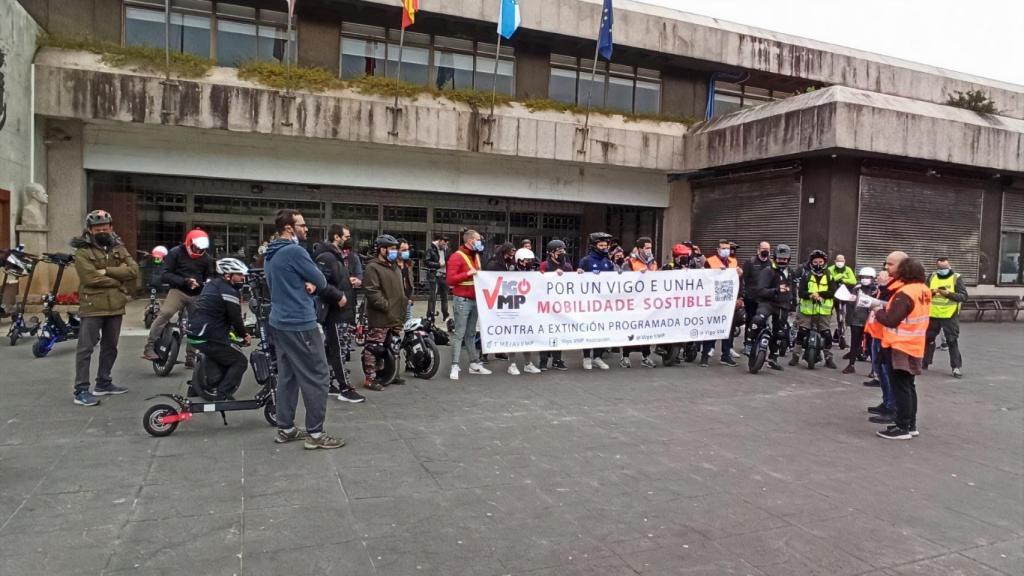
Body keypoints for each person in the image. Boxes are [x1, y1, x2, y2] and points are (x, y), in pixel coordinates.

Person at [264, 209, 344, 450]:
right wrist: (309, 282)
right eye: (302, 224)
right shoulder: (294, 251)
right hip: (299, 322)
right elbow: (320, 281)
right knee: (318, 375)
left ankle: (286, 428)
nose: (306, 229)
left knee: (288, 376)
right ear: (289, 228)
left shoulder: (271, 252)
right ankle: (316, 434)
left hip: (279, 321)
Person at [71, 210, 139, 406]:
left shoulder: (119, 247)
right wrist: (118, 281)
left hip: (115, 306)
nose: (102, 231)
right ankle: (81, 390)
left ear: (111, 227)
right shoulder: (83, 251)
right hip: (93, 305)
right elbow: (90, 278)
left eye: (105, 228)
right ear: (90, 230)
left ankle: (103, 382)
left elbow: (133, 271)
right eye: (97, 229)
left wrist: (107, 270)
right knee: (86, 348)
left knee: (110, 347)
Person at [872, 256, 931, 440]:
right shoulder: (923, 290)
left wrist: (877, 309)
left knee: (901, 387)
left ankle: (902, 426)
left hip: (899, 345)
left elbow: (891, 320)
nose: (891, 270)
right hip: (915, 343)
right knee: (908, 386)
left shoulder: (904, 293)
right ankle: (910, 424)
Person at [142, 229, 215, 364]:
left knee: (196, 324)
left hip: (197, 294)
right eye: (196, 248)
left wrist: (206, 284)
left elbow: (209, 275)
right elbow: (165, 274)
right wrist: (185, 281)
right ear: (189, 243)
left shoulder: (206, 259)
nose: (199, 251)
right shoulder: (175, 253)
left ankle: (191, 357)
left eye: (202, 249)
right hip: (178, 291)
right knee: (165, 313)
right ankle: (149, 347)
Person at [186, 258, 251, 400]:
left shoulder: (212, 285)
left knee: (215, 355)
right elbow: (235, 318)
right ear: (228, 275)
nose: (243, 278)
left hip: (195, 332)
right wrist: (245, 334)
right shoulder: (229, 291)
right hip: (207, 334)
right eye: (239, 274)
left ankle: (195, 389)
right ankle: (223, 394)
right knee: (239, 361)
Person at [314, 225, 365, 403]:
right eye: (346, 236)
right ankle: (345, 387)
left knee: (337, 350)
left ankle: (331, 383)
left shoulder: (337, 257)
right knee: (339, 351)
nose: (349, 239)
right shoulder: (326, 258)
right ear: (337, 237)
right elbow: (320, 284)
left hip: (344, 311)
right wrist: (338, 296)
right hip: (336, 313)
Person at [361, 235, 408, 390]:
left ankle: (390, 374)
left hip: (396, 315)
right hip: (381, 316)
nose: (395, 252)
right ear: (382, 249)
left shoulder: (395, 267)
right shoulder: (373, 267)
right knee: (374, 347)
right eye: (392, 249)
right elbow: (373, 292)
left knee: (392, 346)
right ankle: (370, 377)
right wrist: (387, 306)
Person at [446, 229, 492, 380]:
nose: (480, 242)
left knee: (471, 333)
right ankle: (454, 365)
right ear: (470, 241)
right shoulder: (457, 257)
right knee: (459, 333)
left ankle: (474, 363)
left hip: (475, 300)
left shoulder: (476, 256)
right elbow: (450, 280)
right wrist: (467, 273)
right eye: (478, 239)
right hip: (462, 300)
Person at [750, 244, 795, 370]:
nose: (782, 261)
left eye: (785, 259)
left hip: (782, 306)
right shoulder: (768, 271)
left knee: (780, 333)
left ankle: (773, 358)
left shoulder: (790, 273)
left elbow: (792, 290)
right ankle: (750, 344)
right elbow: (760, 290)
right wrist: (775, 291)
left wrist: (793, 303)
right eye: (780, 258)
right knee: (758, 320)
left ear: (788, 259)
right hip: (768, 303)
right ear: (775, 257)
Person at [790, 249, 839, 369]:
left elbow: (833, 292)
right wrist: (810, 295)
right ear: (811, 262)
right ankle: (795, 356)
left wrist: (820, 294)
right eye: (815, 261)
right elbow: (801, 292)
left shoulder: (829, 275)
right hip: (807, 310)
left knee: (827, 334)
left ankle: (828, 358)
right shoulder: (806, 275)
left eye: (821, 261)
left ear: (825, 262)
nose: (818, 264)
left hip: (824, 311)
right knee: (802, 332)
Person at [924, 257, 967, 379]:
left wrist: (949, 294)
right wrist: (931, 292)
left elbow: (963, 296)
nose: (943, 270)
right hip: (933, 314)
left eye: (945, 268)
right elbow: (923, 293)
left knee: (952, 340)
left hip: (950, 314)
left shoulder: (956, 278)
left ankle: (956, 367)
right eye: (940, 268)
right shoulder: (932, 276)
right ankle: (925, 362)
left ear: (950, 266)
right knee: (928, 338)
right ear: (936, 267)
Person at [578, 232, 616, 370]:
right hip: (589, 303)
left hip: (605, 303)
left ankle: (598, 357)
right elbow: (579, 280)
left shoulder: (608, 262)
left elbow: (614, 281)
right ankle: (587, 357)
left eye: (605, 245)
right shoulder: (586, 260)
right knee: (589, 330)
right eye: (601, 245)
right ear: (594, 246)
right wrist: (580, 274)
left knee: (602, 330)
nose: (604, 248)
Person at [702, 239, 741, 368]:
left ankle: (725, 355)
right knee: (711, 328)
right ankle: (705, 355)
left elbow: (738, 282)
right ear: (718, 250)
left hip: (728, 302)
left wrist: (739, 297)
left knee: (728, 329)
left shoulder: (733, 262)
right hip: (713, 301)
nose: (726, 251)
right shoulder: (710, 261)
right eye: (723, 248)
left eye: (727, 248)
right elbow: (704, 279)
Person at [503, 248, 542, 375]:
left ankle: (527, 363)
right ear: (519, 260)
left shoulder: (531, 270)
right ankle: (512, 364)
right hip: (515, 306)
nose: (529, 262)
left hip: (528, 307)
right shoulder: (512, 270)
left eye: (530, 260)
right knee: (514, 336)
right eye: (527, 260)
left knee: (527, 334)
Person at [620, 237, 658, 368]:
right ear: (640, 248)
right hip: (633, 303)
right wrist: (638, 276)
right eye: (647, 248)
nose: (649, 250)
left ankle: (646, 356)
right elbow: (625, 281)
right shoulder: (629, 262)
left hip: (647, 302)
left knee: (646, 330)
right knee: (630, 329)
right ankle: (625, 356)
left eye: (650, 247)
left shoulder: (652, 262)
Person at [537, 239, 572, 371]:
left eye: (563, 250)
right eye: (559, 251)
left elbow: (573, 285)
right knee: (546, 333)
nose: (562, 253)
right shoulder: (544, 265)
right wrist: (552, 275)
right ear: (551, 253)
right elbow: (539, 282)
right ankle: (543, 360)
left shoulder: (567, 267)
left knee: (559, 333)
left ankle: (557, 360)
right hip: (546, 306)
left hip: (561, 305)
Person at [842, 267, 877, 374]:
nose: (865, 279)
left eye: (867, 277)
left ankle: (874, 370)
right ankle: (851, 365)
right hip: (856, 320)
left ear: (872, 278)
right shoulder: (856, 288)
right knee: (854, 344)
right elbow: (850, 304)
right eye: (863, 277)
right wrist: (849, 319)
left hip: (870, 321)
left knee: (871, 346)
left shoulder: (876, 290)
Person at [742, 241, 775, 355]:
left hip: (765, 299)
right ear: (758, 249)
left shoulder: (771, 264)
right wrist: (743, 295)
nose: (765, 251)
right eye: (763, 248)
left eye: (768, 249)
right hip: (751, 298)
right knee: (750, 321)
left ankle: (759, 343)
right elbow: (743, 279)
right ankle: (748, 343)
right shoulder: (750, 262)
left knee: (763, 322)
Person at [827, 254, 857, 349]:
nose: (840, 262)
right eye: (838, 261)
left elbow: (853, 281)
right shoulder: (830, 269)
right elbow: (829, 279)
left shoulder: (848, 269)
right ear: (835, 261)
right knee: (827, 316)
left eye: (842, 261)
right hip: (831, 296)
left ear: (844, 261)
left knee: (842, 317)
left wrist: (843, 279)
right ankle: (826, 337)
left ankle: (841, 335)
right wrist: (840, 275)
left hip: (842, 296)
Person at [424, 233, 450, 323]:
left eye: (446, 244)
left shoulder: (447, 250)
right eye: (443, 243)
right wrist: (438, 265)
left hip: (444, 275)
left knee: (445, 297)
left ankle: (446, 316)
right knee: (432, 297)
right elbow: (426, 262)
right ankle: (430, 316)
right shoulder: (431, 250)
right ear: (439, 241)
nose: (445, 245)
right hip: (434, 275)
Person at [397, 239, 415, 322]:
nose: (406, 252)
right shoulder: (391, 264)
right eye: (404, 250)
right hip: (395, 300)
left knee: (408, 322)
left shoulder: (408, 263)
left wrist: (410, 297)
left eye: (407, 250)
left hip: (407, 300)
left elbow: (410, 281)